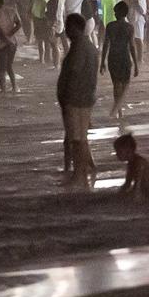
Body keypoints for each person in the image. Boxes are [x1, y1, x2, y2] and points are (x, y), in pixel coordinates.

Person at [57, 13, 99, 187]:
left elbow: (73, 73)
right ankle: (85, 169)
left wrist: (66, 97)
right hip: (85, 98)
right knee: (80, 137)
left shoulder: (79, 48)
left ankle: (79, 173)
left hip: (75, 99)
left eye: (68, 27)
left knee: (76, 138)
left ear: (75, 28)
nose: (66, 31)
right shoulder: (88, 46)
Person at [103, 1, 136, 120]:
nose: (114, 13)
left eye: (115, 11)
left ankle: (119, 110)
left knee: (116, 84)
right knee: (125, 84)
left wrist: (102, 62)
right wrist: (136, 64)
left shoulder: (110, 26)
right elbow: (132, 46)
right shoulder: (129, 27)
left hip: (113, 57)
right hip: (124, 57)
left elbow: (106, 44)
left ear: (118, 13)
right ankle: (118, 107)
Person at [0, 0, 23, 93]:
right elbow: (19, 24)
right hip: (13, 42)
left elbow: (0, 32)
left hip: (2, 44)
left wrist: (6, 40)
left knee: (1, 68)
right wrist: (10, 34)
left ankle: (3, 90)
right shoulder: (12, 10)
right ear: (3, 3)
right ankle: (15, 87)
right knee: (9, 65)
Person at [114, 133, 149, 202]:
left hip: (148, 194)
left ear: (128, 151)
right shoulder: (130, 163)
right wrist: (119, 193)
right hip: (142, 191)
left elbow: (137, 185)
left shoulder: (139, 163)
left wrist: (132, 196)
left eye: (119, 152)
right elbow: (127, 183)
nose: (116, 154)